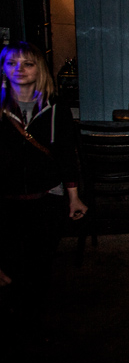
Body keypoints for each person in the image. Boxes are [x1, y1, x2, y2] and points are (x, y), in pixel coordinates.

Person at [0, 41, 87, 331]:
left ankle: (31, 322)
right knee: (10, 266)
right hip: (8, 200)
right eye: (12, 63)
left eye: (28, 63)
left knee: (39, 265)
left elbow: (66, 155)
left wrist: (74, 198)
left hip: (46, 197)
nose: (20, 69)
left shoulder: (55, 108)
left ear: (40, 69)